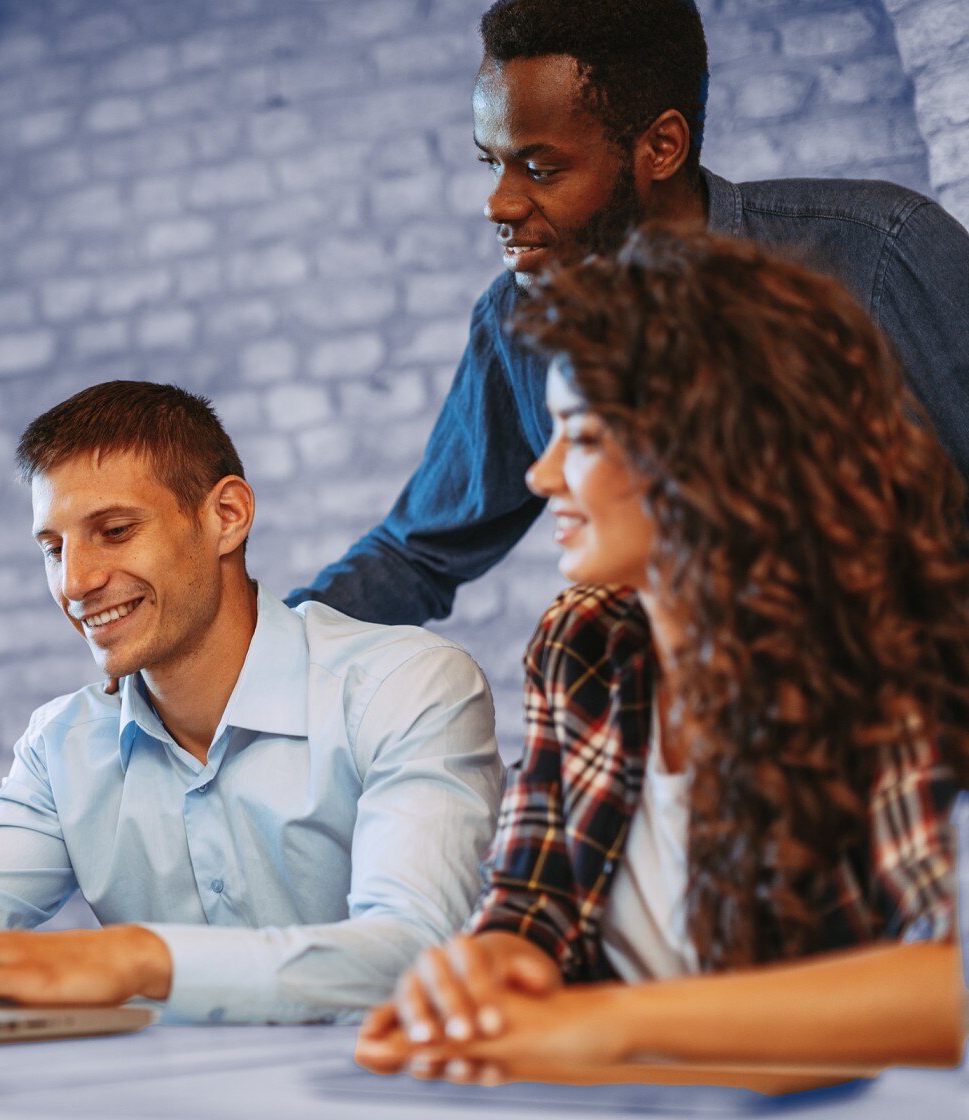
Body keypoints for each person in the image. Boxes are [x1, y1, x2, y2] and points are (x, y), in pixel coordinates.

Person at [354, 229, 969, 1080]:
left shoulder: (894, 644)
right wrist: (488, 972)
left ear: (711, 449)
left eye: (586, 436)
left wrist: (610, 1026)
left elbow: (952, 981)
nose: (542, 475)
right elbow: (532, 908)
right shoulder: (585, 642)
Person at [291, 0, 969, 626]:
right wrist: (253, 654)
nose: (498, 203)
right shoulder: (519, 323)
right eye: (490, 163)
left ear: (661, 148)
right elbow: (419, 553)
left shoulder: (880, 251)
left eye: (540, 168)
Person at [0, 380, 503, 1024]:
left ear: (227, 516)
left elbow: (413, 948)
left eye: (113, 530)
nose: (75, 582)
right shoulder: (63, 742)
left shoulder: (406, 688)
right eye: (53, 549)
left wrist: (139, 959)